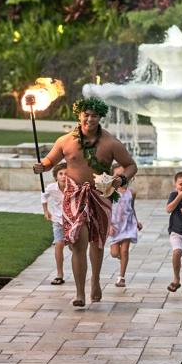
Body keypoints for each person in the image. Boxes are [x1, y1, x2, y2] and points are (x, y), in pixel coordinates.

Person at [33, 97, 137, 307]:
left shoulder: (111, 143)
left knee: (97, 243)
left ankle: (95, 281)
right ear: (79, 115)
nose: (89, 119)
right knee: (78, 241)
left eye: (94, 115)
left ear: (100, 117)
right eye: (86, 114)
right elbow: (50, 161)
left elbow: (131, 165)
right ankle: (79, 293)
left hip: (101, 196)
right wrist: (42, 166)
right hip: (74, 196)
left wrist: (121, 179)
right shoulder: (65, 141)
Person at [108, 182, 142, 288]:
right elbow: (107, 209)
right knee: (114, 253)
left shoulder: (131, 192)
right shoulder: (110, 192)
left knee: (124, 251)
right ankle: (122, 257)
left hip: (128, 225)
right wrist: (109, 225)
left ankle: (121, 277)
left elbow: (132, 208)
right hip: (115, 226)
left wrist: (137, 221)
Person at [41, 163, 68, 285]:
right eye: (60, 174)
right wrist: (46, 211)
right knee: (59, 244)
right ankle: (59, 274)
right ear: (56, 176)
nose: (63, 176)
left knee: (74, 247)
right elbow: (43, 196)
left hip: (72, 221)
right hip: (57, 220)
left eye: (66, 174)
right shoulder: (51, 187)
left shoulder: (73, 187)